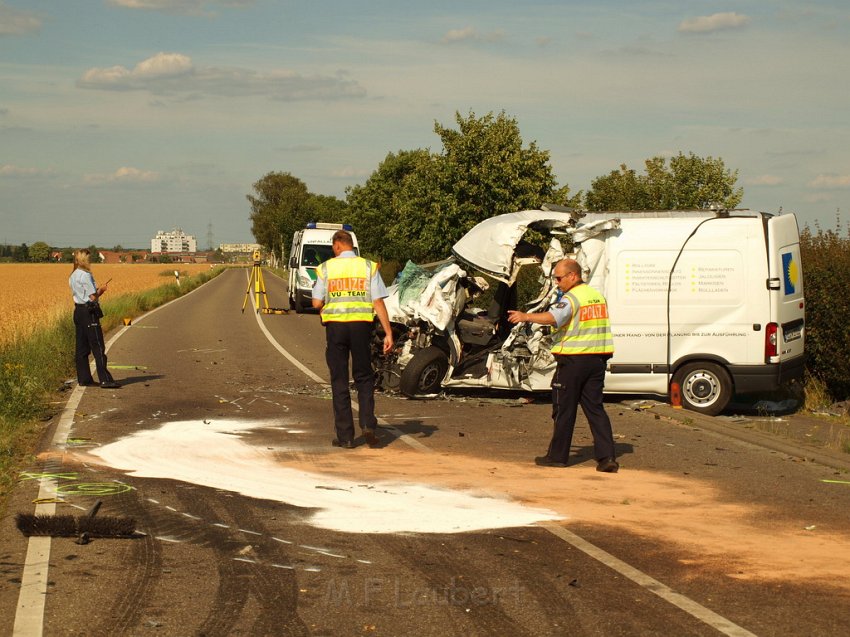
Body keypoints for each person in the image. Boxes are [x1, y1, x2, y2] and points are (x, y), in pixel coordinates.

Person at [507, 258, 618, 472]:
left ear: (572, 276)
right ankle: (607, 458)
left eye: (559, 278)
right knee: (595, 409)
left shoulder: (571, 298)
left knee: (564, 409)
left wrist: (525, 316)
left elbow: (552, 317)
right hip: (597, 360)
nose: (557, 282)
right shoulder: (597, 296)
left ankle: (557, 456)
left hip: (573, 361)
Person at [312, 230, 393, 448]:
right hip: (361, 327)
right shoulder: (368, 267)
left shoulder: (326, 268)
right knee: (364, 377)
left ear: (338, 245)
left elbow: (316, 303)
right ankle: (367, 423)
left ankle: (346, 437)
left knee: (339, 380)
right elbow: (378, 302)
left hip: (336, 329)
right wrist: (388, 332)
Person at [69, 249, 120, 389]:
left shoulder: (72, 275)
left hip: (78, 311)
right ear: (84, 260)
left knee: (81, 347)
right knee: (98, 346)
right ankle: (105, 379)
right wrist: (102, 290)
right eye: (89, 258)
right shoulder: (86, 275)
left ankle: (84, 379)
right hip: (89, 311)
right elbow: (93, 296)